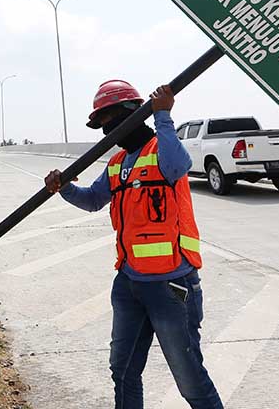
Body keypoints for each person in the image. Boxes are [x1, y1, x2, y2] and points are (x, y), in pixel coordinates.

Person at [44, 80, 222, 409]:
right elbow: (93, 200)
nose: (106, 131)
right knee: (123, 371)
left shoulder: (162, 148)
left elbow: (178, 166)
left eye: (110, 122)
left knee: (190, 380)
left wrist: (163, 115)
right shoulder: (117, 164)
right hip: (129, 283)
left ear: (132, 115)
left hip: (171, 283)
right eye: (101, 126)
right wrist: (65, 187)